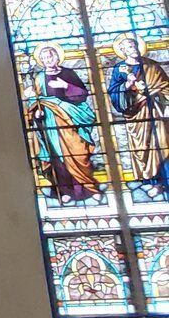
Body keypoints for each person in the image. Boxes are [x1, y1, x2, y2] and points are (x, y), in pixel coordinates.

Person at [26, 44, 100, 203]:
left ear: (57, 57)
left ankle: (88, 187)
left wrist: (65, 86)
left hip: (71, 119)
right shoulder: (39, 77)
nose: (48, 60)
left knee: (79, 152)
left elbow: (82, 94)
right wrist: (36, 111)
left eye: (50, 56)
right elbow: (36, 100)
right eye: (44, 58)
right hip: (50, 121)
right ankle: (64, 190)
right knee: (57, 155)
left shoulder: (68, 73)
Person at [107, 34, 169, 199]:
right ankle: (154, 182)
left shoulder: (152, 66)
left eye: (134, 45)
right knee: (145, 150)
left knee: (162, 144)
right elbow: (114, 93)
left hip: (157, 112)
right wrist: (128, 84)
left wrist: (161, 98)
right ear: (123, 51)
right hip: (136, 115)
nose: (132, 49)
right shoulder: (120, 69)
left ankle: (165, 181)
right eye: (128, 47)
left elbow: (165, 85)